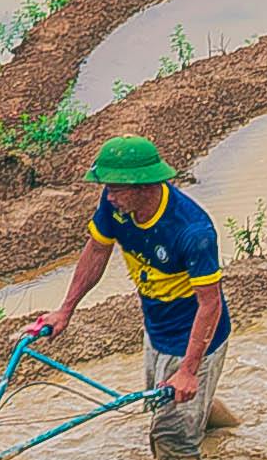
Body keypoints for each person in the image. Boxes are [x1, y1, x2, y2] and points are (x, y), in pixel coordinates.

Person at [44, 128, 228, 436]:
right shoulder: (116, 205)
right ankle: (233, 430)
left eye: (116, 189)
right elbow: (97, 249)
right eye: (108, 188)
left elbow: (210, 304)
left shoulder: (192, 231)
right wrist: (65, 310)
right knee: (170, 408)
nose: (109, 195)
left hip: (194, 334)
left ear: (144, 187)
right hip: (157, 327)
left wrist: (189, 370)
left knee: (172, 440)